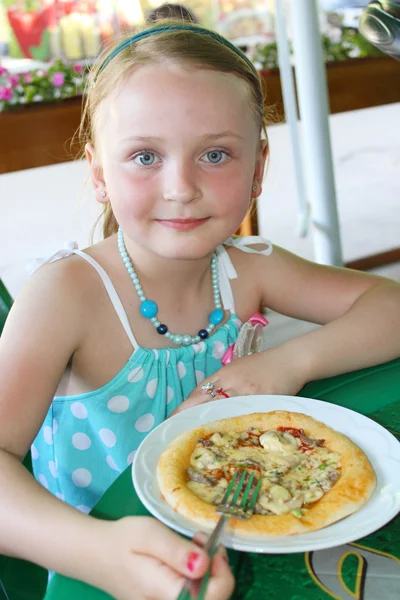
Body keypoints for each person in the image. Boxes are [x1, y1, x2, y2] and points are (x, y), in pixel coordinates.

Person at [1, 18, 400, 600]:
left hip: (244, 530)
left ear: (259, 168)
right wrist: (97, 552)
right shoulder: (66, 296)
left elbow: (387, 304)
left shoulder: (249, 266)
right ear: (98, 173)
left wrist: (285, 364)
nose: (181, 186)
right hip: (107, 563)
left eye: (214, 154)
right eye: (144, 157)